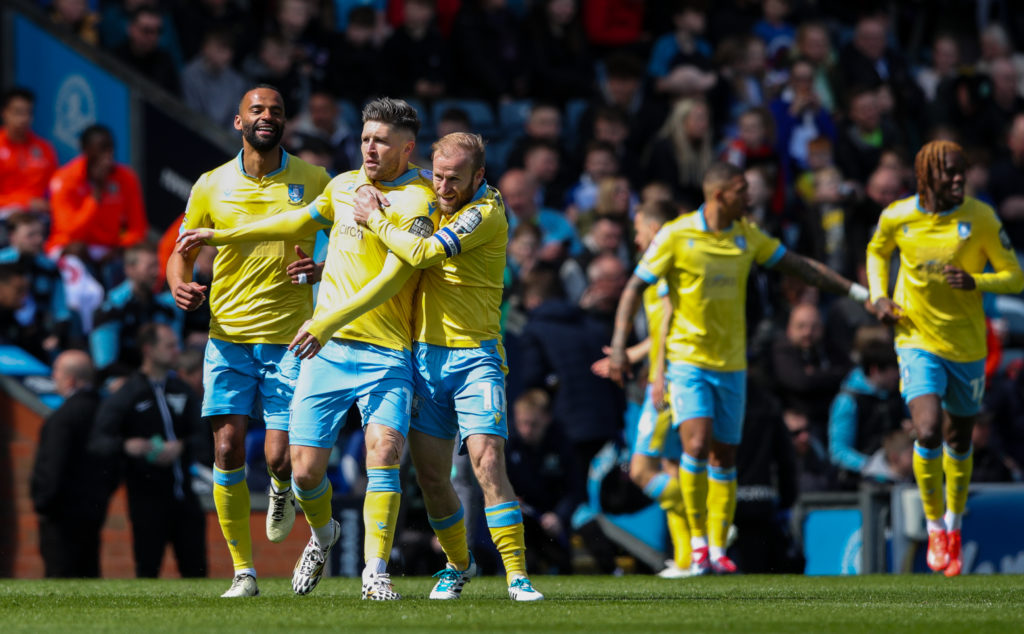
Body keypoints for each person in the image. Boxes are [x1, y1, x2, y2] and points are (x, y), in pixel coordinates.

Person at [178, 97, 436, 600]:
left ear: (408, 149)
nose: (369, 149)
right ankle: (322, 536)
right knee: (301, 471)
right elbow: (294, 223)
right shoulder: (342, 185)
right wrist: (223, 234)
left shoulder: (420, 200)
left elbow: (392, 277)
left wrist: (324, 319)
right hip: (329, 350)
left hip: (382, 349)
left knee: (382, 453)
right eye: (364, 138)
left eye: (381, 141)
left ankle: (375, 571)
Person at [608, 161, 866, 575]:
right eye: (743, 190)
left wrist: (859, 293)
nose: (751, 197)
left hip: (731, 365)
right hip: (687, 362)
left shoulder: (747, 237)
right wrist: (621, 348)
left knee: (724, 457)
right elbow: (635, 286)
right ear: (720, 195)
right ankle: (695, 544)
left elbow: (799, 265)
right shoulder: (677, 235)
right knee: (694, 445)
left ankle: (715, 546)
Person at [346, 132, 544, 600]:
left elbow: (420, 252)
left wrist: (373, 216)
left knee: (487, 460)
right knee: (433, 478)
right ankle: (458, 564)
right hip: (423, 357)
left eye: (455, 178)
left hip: (476, 357)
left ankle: (517, 574)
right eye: (437, 175)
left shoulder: (486, 213)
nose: (443, 187)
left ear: (480, 176)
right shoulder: (427, 193)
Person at [166, 85, 330, 597]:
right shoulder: (211, 184)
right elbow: (182, 251)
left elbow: (351, 249)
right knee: (228, 445)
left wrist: (319, 270)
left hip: (290, 340)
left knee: (281, 458)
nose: (267, 116)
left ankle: (281, 488)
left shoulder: (314, 179)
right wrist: (178, 281)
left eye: (276, 111)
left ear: (284, 123)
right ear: (238, 122)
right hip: (229, 336)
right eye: (257, 110)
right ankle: (244, 572)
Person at [865, 139, 1024, 577]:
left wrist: (977, 281)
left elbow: (1015, 277)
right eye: (951, 172)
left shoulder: (981, 218)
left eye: (963, 171)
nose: (960, 179)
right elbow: (877, 251)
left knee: (958, 440)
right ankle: (934, 525)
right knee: (928, 428)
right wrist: (879, 296)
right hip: (916, 338)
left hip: (968, 346)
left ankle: (954, 522)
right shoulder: (898, 216)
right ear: (926, 176)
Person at [90, 323, 206, 578]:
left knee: (197, 572)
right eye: (170, 346)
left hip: (185, 497)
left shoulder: (182, 390)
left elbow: (203, 436)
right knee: (148, 571)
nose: (177, 351)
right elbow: (98, 441)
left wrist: (182, 447)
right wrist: (127, 446)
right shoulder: (128, 393)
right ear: (149, 350)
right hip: (146, 499)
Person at [619, 200, 691, 577]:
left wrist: (655, 371)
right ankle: (687, 557)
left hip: (667, 376)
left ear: (654, 228)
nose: (635, 236)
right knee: (671, 467)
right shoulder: (666, 263)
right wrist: (632, 353)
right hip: (668, 371)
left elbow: (666, 325)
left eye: (639, 228)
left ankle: (710, 524)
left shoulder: (663, 265)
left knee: (642, 469)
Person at [30, 350, 111, 578]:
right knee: (88, 575)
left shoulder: (62, 418)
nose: (53, 377)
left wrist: (43, 502)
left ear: (71, 379)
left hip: (60, 516)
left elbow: (52, 466)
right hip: (94, 509)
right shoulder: (104, 412)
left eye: (56, 372)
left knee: (60, 578)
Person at [46, 124, 148, 258]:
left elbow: (138, 230)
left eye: (110, 148)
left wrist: (119, 248)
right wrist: (96, 196)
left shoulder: (127, 178)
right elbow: (70, 232)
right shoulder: (65, 178)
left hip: (109, 248)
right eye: (101, 149)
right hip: (68, 245)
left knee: (142, 256)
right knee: (76, 251)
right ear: (85, 150)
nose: (108, 156)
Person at [91, 243, 181, 375]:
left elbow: (175, 351)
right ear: (130, 269)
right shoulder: (111, 309)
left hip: (159, 377)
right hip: (122, 381)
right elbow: (105, 363)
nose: (156, 272)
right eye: (150, 267)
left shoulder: (165, 308)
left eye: (157, 265)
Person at [827, 338, 904, 487]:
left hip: (897, 478)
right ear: (875, 370)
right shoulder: (848, 401)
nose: (898, 375)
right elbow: (838, 451)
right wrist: (871, 466)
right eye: (893, 370)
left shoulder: (897, 395)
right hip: (859, 483)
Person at [0, 213, 72, 361]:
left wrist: (55, 335)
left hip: (38, 335)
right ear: (13, 236)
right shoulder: (2, 264)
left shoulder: (50, 268)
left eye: (41, 234)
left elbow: (61, 310)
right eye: (30, 235)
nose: (38, 240)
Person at [0, 88, 58, 216]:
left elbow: (55, 188)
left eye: (28, 113)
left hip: (39, 215)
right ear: (4, 113)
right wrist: (25, 202)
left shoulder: (45, 148)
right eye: (18, 113)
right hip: (5, 213)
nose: (24, 118)